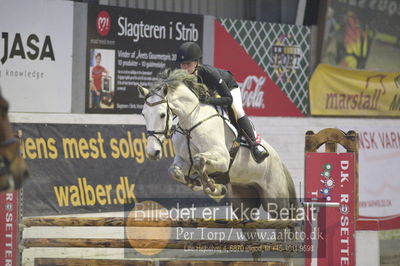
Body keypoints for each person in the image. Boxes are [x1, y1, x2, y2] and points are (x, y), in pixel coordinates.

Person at [176, 42, 269, 163]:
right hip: (211, 94)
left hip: (228, 88)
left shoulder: (209, 73)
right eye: (182, 64)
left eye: (188, 64)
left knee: (238, 110)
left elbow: (228, 99)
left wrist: (209, 100)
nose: (184, 68)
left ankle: (255, 145)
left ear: (197, 63)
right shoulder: (181, 77)